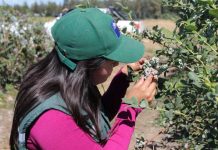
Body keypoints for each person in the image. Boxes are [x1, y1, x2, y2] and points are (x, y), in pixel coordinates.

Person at [10, 8, 157, 150]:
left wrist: (123, 77)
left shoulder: (69, 81)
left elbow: (96, 119)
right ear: (87, 64)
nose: (116, 63)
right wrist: (130, 108)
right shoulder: (50, 119)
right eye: (111, 59)